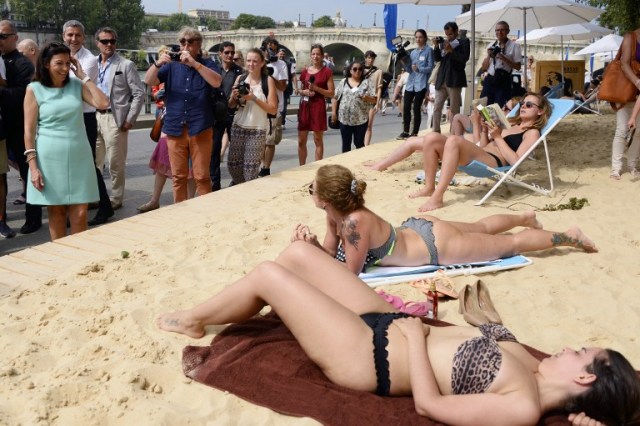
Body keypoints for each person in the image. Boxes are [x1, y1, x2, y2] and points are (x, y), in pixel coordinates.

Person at [157, 240, 639, 426]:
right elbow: (496, 332)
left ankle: (195, 318)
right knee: (299, 256)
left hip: (369, 358)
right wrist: (485, 315)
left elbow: (433, 407)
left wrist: (413, 341)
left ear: (585, 379)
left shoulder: (523, 405)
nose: (566, 348)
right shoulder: (532, 369)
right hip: (388, 327)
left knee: (268, 274)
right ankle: (244, 307)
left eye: (580, 353)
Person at [294, 164, 597, 274]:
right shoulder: (336, 216)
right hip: (419, 228)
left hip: (436, 246)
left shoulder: (352, 224)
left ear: (324, 199)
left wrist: (310, 251)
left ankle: (569, 235)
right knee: (479, 228)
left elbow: (349, 273)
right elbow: (332, 254)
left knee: (511, 245)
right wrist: (313, 245)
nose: (311, 193)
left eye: (312, 189)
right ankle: (524, 215)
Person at [24, 42, 109, 240]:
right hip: (49, 157)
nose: (64, 68)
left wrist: (83, 76)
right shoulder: (33, 89)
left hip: (79, 155)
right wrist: (33, 167)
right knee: (57, 213)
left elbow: (103, 103)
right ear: (46, 64)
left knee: (80, 214)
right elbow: (28, 132)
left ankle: (79, 259)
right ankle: (61, 259)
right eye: (58, 63)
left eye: (67, 63)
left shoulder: (76, 85)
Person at [411, 93, 551, 211]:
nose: (523, 106)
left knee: (454, 140)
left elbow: (516, 161)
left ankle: (437, 197)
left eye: (529, 105)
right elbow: (484, 145)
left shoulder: (532, 133)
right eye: (522, 103)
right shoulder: (512, 124)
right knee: (431, 138)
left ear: (540, 111)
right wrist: (485, 130)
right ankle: (429, 187)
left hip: (494, 161)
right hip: (481, 153)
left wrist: (497, 137)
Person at [145, 27, 222, 202]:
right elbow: (149, 81)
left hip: (200, 126)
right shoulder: (172, 66)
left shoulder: (207, 64)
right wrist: (158, 64)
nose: (185, 45)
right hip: (175, 127)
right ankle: (180, 214)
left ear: (198, 44)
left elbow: (217, 82)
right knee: (178, 177)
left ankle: (205, 213)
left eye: (190, 42)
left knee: (202, 176)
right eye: (182, 42)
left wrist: (194, 64)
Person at [366, 98, 520, 173]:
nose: (504, 109)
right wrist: (483, 127)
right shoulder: (506, 128)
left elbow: (482, 147)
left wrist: (478, 127)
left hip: (472, 151)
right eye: (505, 107)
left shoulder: (520, 133)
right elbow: (484, 145)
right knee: (414, 140)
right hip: (474, 148)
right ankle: (381, 165)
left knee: (424, 141)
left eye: (507, 108)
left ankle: (380, 166)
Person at [63, 20, 115, 227]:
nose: (73, 39)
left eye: (77, 35)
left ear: (84, 38)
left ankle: (104, 206)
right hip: (67, 116)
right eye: (70, 35)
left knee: (88, 165)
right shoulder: (61, 56)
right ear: (63, 36)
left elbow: (77, 88)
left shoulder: (89, 61)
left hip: (84, 117)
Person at [137, 47, 196, 213]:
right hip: (170, 121)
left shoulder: (195, 67)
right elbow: (149, 81)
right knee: (163, 161)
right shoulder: (167, 69)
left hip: (191, 124)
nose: (176, 57)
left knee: (190, 166)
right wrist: (158, 63)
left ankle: (190, 202)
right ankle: (155, 199)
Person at [94, 27, 144, 212]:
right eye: (105, 41)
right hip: (94, 116)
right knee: (94, 161)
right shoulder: (93, 64)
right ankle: (96, 195)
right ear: (97, 42)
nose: (109, 45)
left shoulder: (125, 65)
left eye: (112, 41)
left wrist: (130, 118)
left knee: (115, 162)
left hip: (115, 118)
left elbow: (139, 93)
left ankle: (116, 198)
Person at [0, 20, 41, 235]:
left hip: (17, 126)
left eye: (3, 36)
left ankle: (33, 217)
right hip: (3, 127)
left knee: (27, 171)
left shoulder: (22, 63)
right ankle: (2, 216)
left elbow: (25, 95)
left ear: (15, 37)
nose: (0, 40)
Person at [226, 48, 278, 183]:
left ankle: (248, 196)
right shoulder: (240, 78)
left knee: (250, 171)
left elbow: (273, 110)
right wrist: (234, 96)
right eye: (248, 61)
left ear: (261, 63)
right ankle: (240, 190)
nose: (251, 64)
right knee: (233, 166)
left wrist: (253, 98)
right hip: (238, 127)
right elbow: (231, 105)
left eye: (255, 61)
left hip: (257, 130)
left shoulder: (268, 81)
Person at [211, 40, 243, 191]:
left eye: (232, 52)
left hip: (234, 115)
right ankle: (214, 184)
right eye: (227, 53)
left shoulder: (240, 72)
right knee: (214, 151)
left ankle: (236, 179)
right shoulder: (214, 70)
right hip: (216, 115)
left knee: (236, 150)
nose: (230, 55)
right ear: (220, 54)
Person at [609, 26, 640, 180]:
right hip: (626, 89)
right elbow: (624, 63)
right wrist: (637, 81)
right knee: (622, 129)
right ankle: (616, 168)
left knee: (639, 132)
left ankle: (632, 165)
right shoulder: (631, 37)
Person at [297, 44, 334, 165]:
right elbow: (299, 90)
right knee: (301, 141)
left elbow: (331, 93)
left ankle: (317, 168)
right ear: (310, 55)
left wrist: (317, 89)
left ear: (322, 56)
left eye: (318, 54)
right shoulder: (304, 72)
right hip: (305, 107)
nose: (315, 56)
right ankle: (301, 167)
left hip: (318, 106)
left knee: (317, 140)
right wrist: (304, 92)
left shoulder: (327, 72)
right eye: (313, 54)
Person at [431, 22, 470, 134]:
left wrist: (451, 51)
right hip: (442, 79)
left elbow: (463, 59)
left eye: (451, 34)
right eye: (447, 34)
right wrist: (436, 47)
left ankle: (454, 133)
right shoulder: (444, 43)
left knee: (454, 108)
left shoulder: (464, 42)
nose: (449, 36)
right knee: (437, 107)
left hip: (454, 79)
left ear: (457, 31)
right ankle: (436, 132)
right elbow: (438, 59)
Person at [330, 62, 377, 153]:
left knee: (359, 144)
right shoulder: (343, 82)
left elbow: (375, 100)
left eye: (360, 69)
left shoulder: (366, 83)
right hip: (344, 119)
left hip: (360, 120)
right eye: (355, 69)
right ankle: (345, 164)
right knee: (346, 144)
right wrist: (333, 113)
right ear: (350, 71)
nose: (357, 71)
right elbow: (335, 97)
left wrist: (366, 97)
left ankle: (359, 163)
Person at [258, 37, 288, 177]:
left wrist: (270, 77)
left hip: (275, 107)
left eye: (274, 50)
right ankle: (263, 164)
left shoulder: (281, 64)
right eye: (269, 49)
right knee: (261, 140)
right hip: (259, 106)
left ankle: (266, 168)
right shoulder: (257, 63)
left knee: (270, 140)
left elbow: (283, 86)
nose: (271, 53)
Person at [398, 29, 434, 140]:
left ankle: (414, 133)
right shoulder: (413, 52)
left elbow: (431, 67)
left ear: (425, 38)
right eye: (416, 37)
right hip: (411, 83)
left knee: (416, 108)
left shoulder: (429, 51)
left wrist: (419, 69)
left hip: (421, 84)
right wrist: (403, 61)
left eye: (420, 37)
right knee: (406, 107)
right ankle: (405, 131)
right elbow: (409, 69)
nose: (418, 39)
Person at [480, 21, 522, 107]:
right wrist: (489, 56)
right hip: (490, 79)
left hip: (504, 79)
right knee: (483, 104)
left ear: (508, 31)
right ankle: (483, 120)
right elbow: (484, 68)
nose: (499, 32)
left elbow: (518, 67)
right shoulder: (491, 45)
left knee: (500, 106)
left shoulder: (515, 46)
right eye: (497, 30)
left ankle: (496, 121)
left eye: (502, 30)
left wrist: (503, 57)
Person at [362, 50, 382, 146]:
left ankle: (366, 145)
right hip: (361, 99)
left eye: (372, 58)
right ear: (365, 58)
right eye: (369, 58)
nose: (370, 60)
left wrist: (378, 103)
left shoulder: (378, 72)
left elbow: (379, 88)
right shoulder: (359, 70)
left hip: (372, 100)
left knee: (369, 125)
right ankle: (360, 143)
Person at [278, 48, 297, 129]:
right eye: (280, 54)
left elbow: (293, 76)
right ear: (277, 54)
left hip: (285, 89)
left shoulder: (289, 64)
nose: (281, 55)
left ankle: (282, 123)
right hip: (276, 88)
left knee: (284, 106)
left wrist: (296, 87)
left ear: (285, 55)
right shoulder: (273, 63)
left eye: (283, 54)